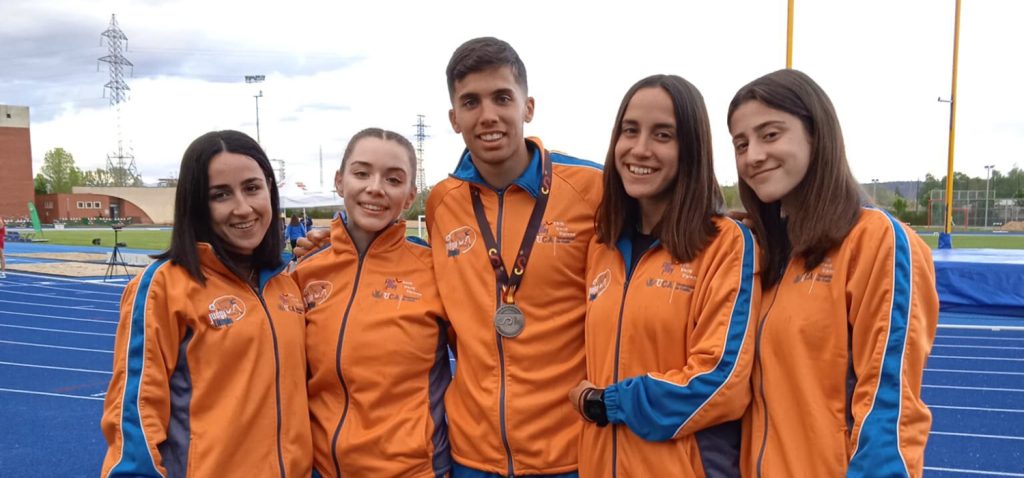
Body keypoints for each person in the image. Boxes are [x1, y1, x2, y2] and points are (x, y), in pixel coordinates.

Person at [726, 69, 939, 477]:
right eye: (741, 143)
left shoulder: (876, 241)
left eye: (770, 135)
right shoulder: (763, 252)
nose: (752, 155)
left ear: (816, 135)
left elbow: (890, 410)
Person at [566, 75, 759, 477]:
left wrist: (610, 403)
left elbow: (722, 382)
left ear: (690, 149)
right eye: (629, 130)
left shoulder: (724, 243)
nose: (640, 149)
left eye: (663, 135)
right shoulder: (602, 247)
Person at [429, 37, 603, 477]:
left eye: (502, 97)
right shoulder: (441, 202)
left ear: (528, 107)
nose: (487, 115)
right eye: (471, 102)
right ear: (454, 119)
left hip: (570, 453)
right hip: (473, 455)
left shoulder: (592, 189)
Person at [100, 130, 312, 477]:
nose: (242, 208)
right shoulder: (163, 286)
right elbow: (134, 412)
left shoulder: (286, 283)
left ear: (270, 192)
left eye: (252, 188)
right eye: (221, 194)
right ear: (197, 204)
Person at [291, 128, 452, 477]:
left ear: (409, 197)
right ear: (339, 181)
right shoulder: (305, 271)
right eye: (361, 173)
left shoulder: (436, 271)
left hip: (413, 470)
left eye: (393, 179)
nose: (375, 187)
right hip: (320, 469)